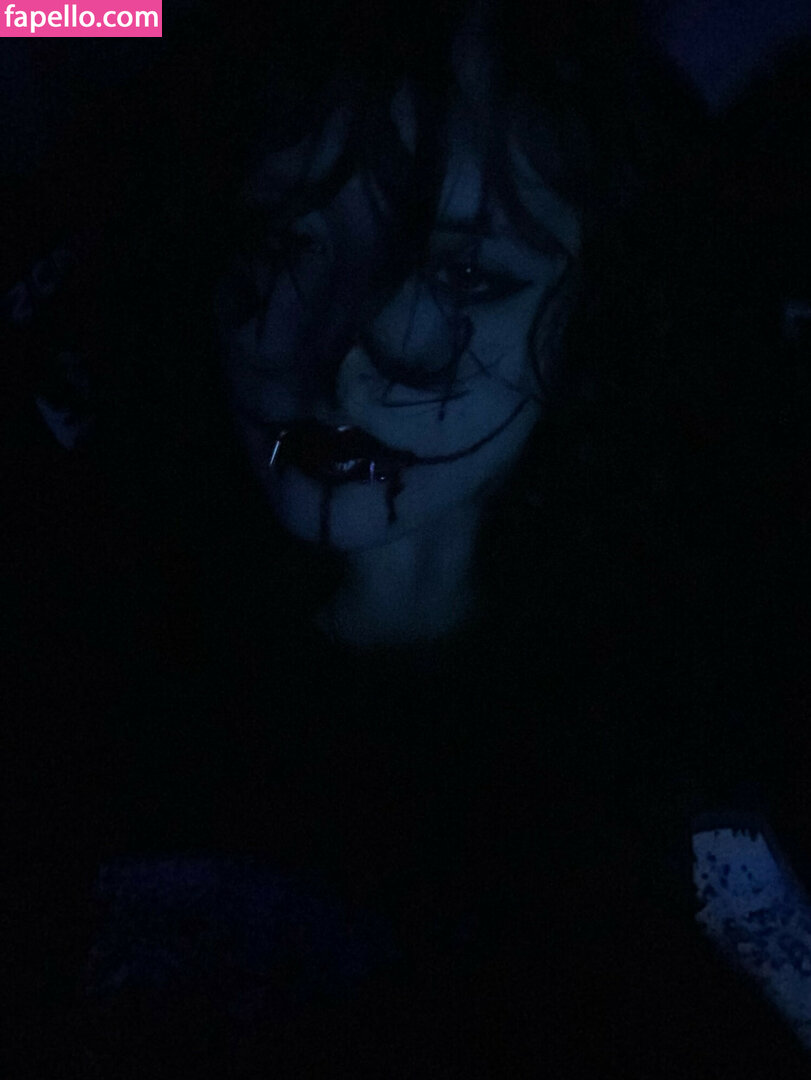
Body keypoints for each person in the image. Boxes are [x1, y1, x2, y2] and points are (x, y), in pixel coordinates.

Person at [7, 1, 810, 1075]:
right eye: (284, 242)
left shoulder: (709, 705)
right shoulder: (69, 642)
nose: (345, 359)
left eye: (465, 276)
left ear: (599, 307)